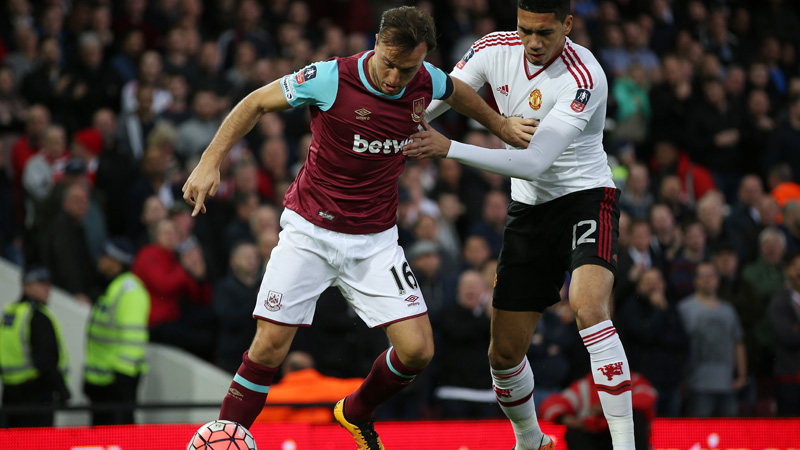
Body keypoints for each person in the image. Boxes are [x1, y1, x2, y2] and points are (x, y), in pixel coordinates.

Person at [181, 6, 532, 450]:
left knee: (418, 351)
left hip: (375, 241)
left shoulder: (426, 80)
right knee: (269, 347)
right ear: (376, 44)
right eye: (389, 64)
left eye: (407, 69)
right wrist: (210, 161)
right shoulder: (330, 77)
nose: (394, 78)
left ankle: (356, 410)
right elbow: (254, 102)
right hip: (310, 231)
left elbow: (457, 91)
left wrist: (500, 124)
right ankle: (226, 440)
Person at [405, 0, 635, 449]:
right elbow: (442, 96)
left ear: (568, 25)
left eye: (544, 33)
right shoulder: (492, 48)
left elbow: (533, 161)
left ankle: (625, 445)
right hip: (528, 211)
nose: (532, 42)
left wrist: (447, 148)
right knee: (504, 354)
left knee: (587, 306)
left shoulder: (584, 76)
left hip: (584, 198)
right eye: (524, 30)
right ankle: (530, 440)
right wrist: (396, 127)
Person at [84, 237, 150, 426]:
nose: (99, 259)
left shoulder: (129, 291)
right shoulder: (113, 287)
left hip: (118, 381)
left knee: (119, 437)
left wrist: (123, 381)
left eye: (104, 256)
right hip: (104, 381)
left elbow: (132, 339)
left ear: (116, 261)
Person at [0, 265, 70, 427]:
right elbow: (45, 360)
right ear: (26, 286)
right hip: (36, 396)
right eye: (41, 284)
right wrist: (61, 390)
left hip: (10, 394)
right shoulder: (37, 316)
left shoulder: (11, 313)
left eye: (48, 283)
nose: (47, 288)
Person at [678, 262, 746, 417]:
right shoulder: (684, 309)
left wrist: (742, 375)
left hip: (727, 384)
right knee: (698, 435)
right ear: (695, 280)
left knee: (729, 436)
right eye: (702, 276)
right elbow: (678, 346)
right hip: (697, 384)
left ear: (717, 280)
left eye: (711, 276)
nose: (707, 280)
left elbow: (738, 342)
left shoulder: (728, 310)